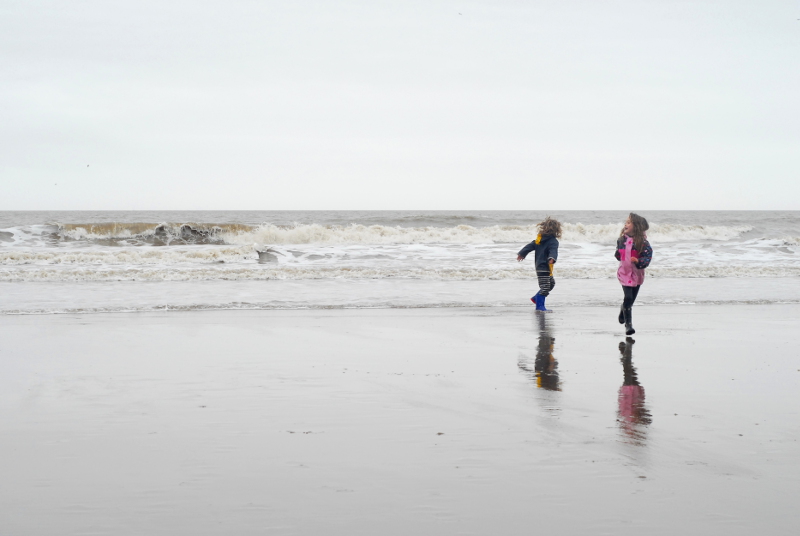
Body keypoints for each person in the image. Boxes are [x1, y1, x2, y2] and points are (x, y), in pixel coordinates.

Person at [615, 213, 653, 335]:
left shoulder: (643, 243)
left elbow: (647, 257)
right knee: (629, 297)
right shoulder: (621, 240)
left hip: (637, 275)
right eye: (626, 222)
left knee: (630, 301)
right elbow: (618, 254)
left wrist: (639, 262)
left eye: (629, 222)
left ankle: (623, 309)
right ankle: (628, 325)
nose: (625, 224)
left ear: (636, 226)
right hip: (624, 273)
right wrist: (617, 254)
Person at [517, 217, 561, 311]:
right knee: (545, 287)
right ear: (557, 230)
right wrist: (552, 258)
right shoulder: (552, 241)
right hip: (544, 267)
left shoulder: (539, 239)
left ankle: (536, 298)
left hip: (541, 267)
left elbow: (529, 246)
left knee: (551, 284)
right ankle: (540, 307)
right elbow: (553, 251)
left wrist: (522, 253)